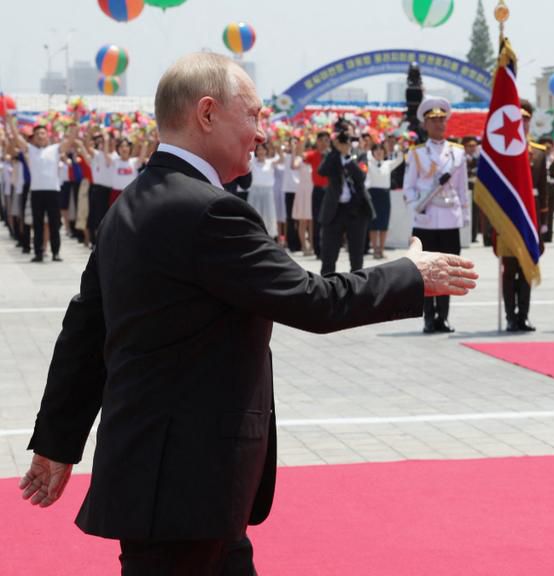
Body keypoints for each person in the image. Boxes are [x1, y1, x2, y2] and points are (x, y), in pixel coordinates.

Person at [18, 52, 478, 576]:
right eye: (254, 115)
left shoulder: (131, 203)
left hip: (171, 486)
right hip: (186, 487)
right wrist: (411, 273)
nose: (261, 133)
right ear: (207, 114)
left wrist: (58, 442)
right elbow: (313, 299)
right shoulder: (210, 211)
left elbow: (84, 332)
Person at [403, 97, 470, 334]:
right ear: (425, 124)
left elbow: (462, 188)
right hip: (426, 217)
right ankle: (428, 318)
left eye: (442, 119)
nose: (440, 124)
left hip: (449, 217)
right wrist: (416, 206)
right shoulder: (418, 153)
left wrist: (464, 213)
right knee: (424, 271)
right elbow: (409, 187)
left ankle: (444, 317)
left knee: (448, 269)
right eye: (434, 120)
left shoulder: (458, 153)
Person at [494, 100, 545, 332]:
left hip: (531, 222)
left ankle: (523, 315)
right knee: (509, 271)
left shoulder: (540, 153)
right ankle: (510, 316)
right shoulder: (501, 153)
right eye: (518, 119)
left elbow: (544, 195)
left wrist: (544, 229)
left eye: (526, 120)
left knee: (526, 269)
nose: (522, 124)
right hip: (507, 220)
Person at [6, 119, 76, 262]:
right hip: (37, 191)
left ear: (47, 135)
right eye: (37, 134)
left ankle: (55, 252)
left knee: (54, 223)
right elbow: (17, 137)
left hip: (53, 191)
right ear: (34, 137)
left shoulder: (55, 149)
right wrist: (10, 121)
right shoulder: (30, 149)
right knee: (37, 224)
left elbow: (71, 139)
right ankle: (38, 252)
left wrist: (75, 120)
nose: (40, 136)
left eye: (42, 133)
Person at [318, 132, 373, 274]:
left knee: (356, 257)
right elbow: (322, 171)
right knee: (328, 256)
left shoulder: (361, 155)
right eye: (342, 140)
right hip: (334, 210)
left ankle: (357, 291)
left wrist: (348, 157)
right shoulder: (331, 155)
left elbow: (361, 176)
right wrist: (336, 152)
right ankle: (327, 290)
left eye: (347, 139)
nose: (345, 143)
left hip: (356, 210)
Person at [367, 142, 403, 259]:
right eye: (376, 150)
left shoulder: (388, 164)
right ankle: (375, 249)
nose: (379, 152)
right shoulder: (369, 163)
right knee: (373, 224)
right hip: (372, 194)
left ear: (384, 152)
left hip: (384, 195)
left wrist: (398, 147)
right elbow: (367, 154)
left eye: (381, 150)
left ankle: (381, 250)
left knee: (383, 223)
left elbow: (400, 159)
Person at [304, 131, 331, 258]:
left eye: (327, 140)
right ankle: (318, 250)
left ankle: (329, 248)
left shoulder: (332, 156)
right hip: (318, 190)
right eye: (322, 140)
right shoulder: (312, 155)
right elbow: (301, 157)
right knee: (317, 220)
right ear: (317, 142)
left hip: (330, 191)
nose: (324, 143)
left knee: (330, 220)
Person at [247, 141, 279, 239]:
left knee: (269, 217)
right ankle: (254, 237)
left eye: (263, 149)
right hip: (254, 191)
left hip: (267, 192)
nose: (261, 151)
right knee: (254, 215)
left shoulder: (270, 162)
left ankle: (268, 238)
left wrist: (278, 144)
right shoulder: (252, 161)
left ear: (266, 150)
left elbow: (281, 159)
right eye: (259, 149)